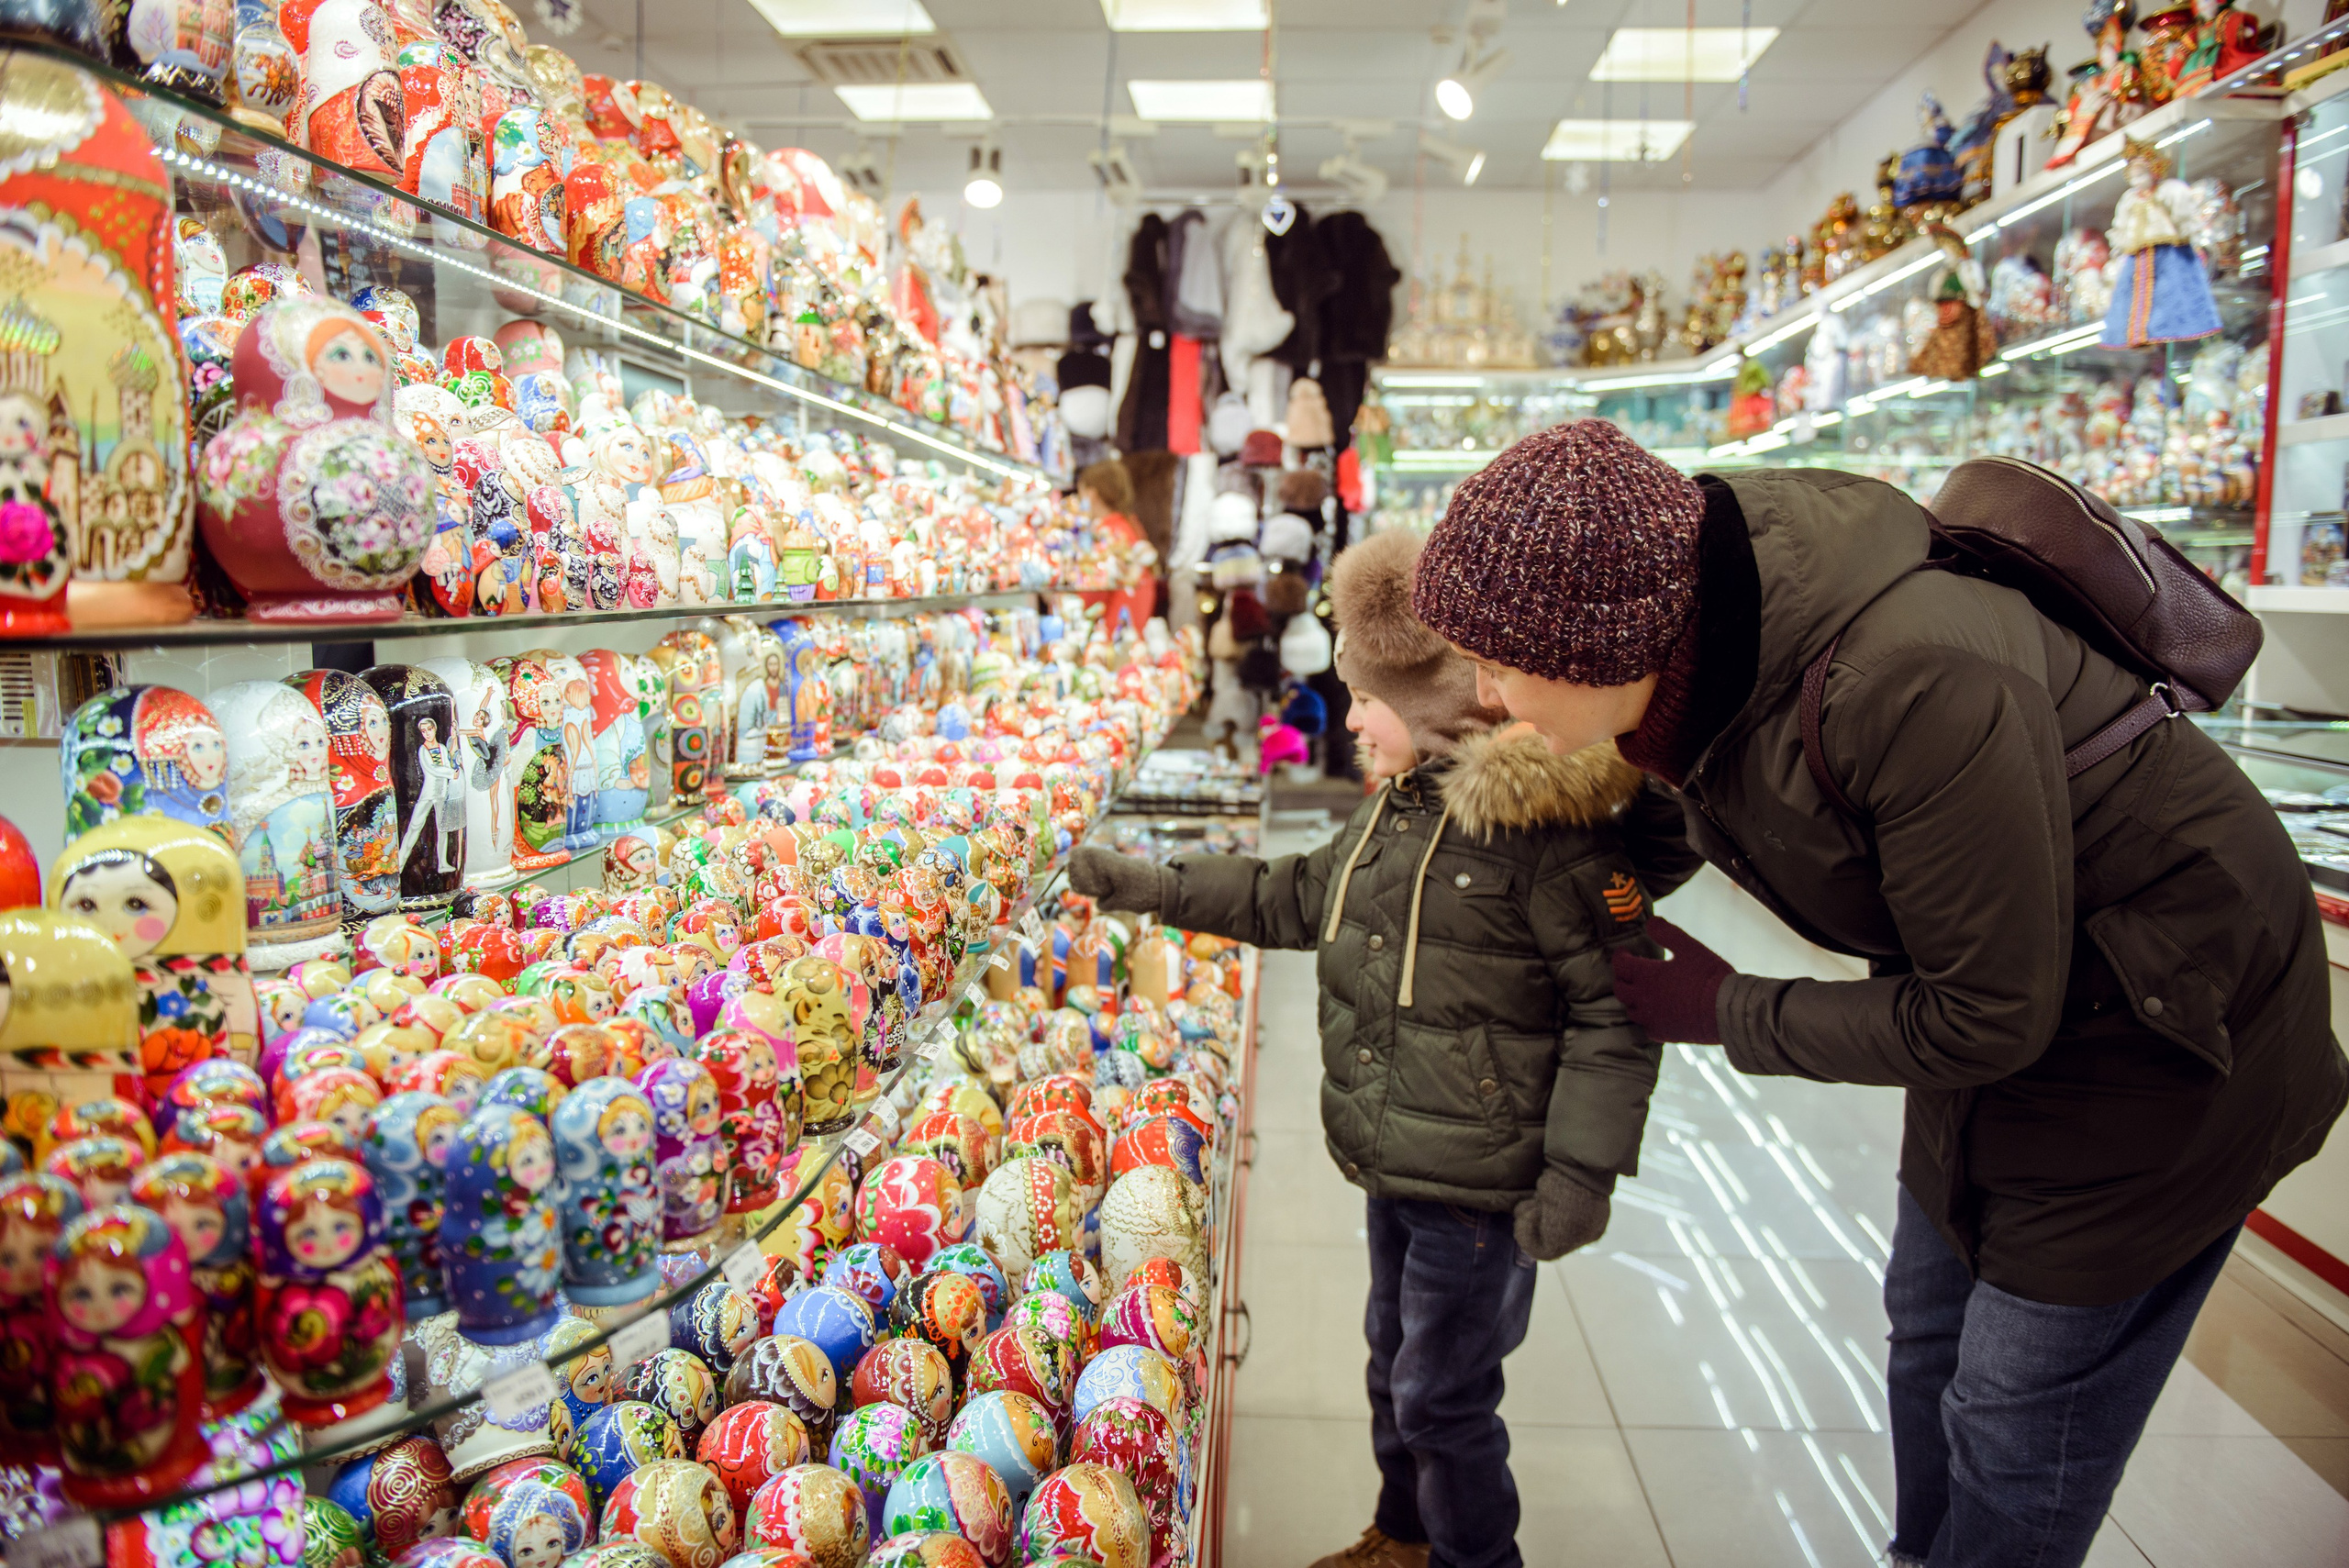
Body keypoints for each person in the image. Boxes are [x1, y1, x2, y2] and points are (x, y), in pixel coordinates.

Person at [1408, 418, 2349, 1568]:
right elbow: (1736, 779)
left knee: (2013, 1418)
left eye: (1499, 660)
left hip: (2169, 1034)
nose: (1487, 694)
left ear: (1598, 644)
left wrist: (1725, 1006)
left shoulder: (1902, 676)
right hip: (2005, 994)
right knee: (1928, 1331)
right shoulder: (1711, 625)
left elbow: (1983, 1014)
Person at [1069, 526, 1678, 1568]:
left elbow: (1618, 1013)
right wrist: (1157, 884)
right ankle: (1403, 1535)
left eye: (1364, 699)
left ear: (1433, 705)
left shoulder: (1547, 841)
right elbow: (1293, 894)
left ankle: (1473, 1558)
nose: (1346, 718)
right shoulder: (1397, 811)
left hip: (1483, 1187)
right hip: (1396, 1158)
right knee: (1394, 1364)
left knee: (1444, 1396)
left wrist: (1583, 1172)